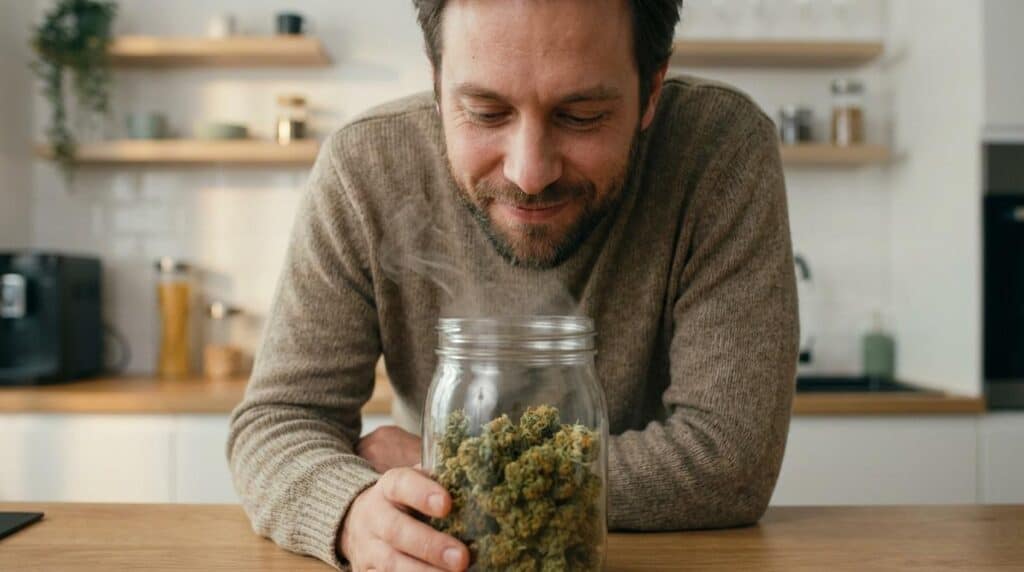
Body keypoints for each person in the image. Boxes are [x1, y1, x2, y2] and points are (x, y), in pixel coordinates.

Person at [227, 0, 799, 570]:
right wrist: (351, 512)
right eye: (484, 111)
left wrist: (458, 471)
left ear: (652, 91)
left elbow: (731, 460)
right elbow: (279, 422)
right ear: (436, 79)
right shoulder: (365, 166)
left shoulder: (720, 152)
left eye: (582, 115)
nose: (529, 172)